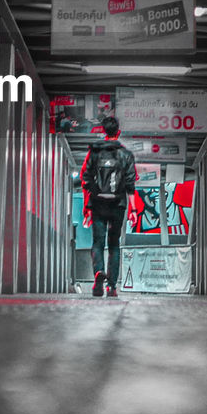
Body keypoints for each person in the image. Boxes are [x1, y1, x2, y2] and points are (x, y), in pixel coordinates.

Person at [80, 116, 138, 297]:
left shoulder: (94, 152)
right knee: (114, 245)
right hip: (118, 205)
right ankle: (111, 286)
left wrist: (87, 206)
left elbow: (85, 180)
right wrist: (133, 210)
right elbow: (130, 185)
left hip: (98, 204)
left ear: (103, 131)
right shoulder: (126, 155)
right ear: (118, 132)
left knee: (98, 242)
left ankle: (98, 272)